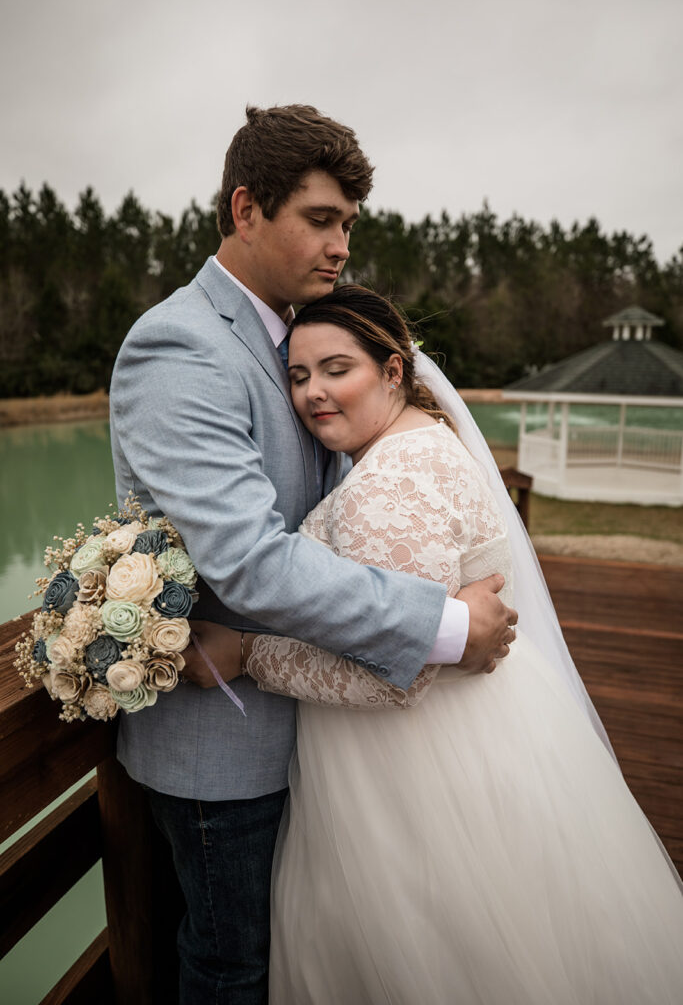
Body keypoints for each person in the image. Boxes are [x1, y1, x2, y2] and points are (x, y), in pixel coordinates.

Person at [109, 105, 516, 1004]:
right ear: (246, 208)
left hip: (311, 722)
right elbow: (250, 563)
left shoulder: (296, 332)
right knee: (233, 973)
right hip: (224, 743)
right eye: (320, 219)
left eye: (348, 225)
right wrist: (444, 624)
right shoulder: (181, 345)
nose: (340, 246)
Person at [199, 284, 683, 1004]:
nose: (312, 394)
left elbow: (395, 679)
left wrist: (246, 656)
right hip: (490, 729)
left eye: (337, 369)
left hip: (412, 764)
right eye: (298, 376)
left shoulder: (386, 485)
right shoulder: (429, 440)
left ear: (392, 370)